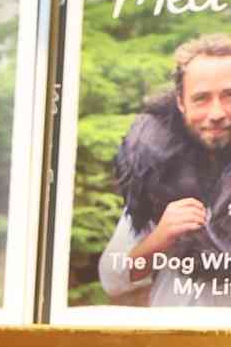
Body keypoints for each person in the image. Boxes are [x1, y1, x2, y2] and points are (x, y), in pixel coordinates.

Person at [98, 33, 231, 308]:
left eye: (229, 95)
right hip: (175, 342)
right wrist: (160, 236)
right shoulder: (158, 169)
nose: (217, 112)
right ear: (181, 103)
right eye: (201, 98)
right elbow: (112, 280)